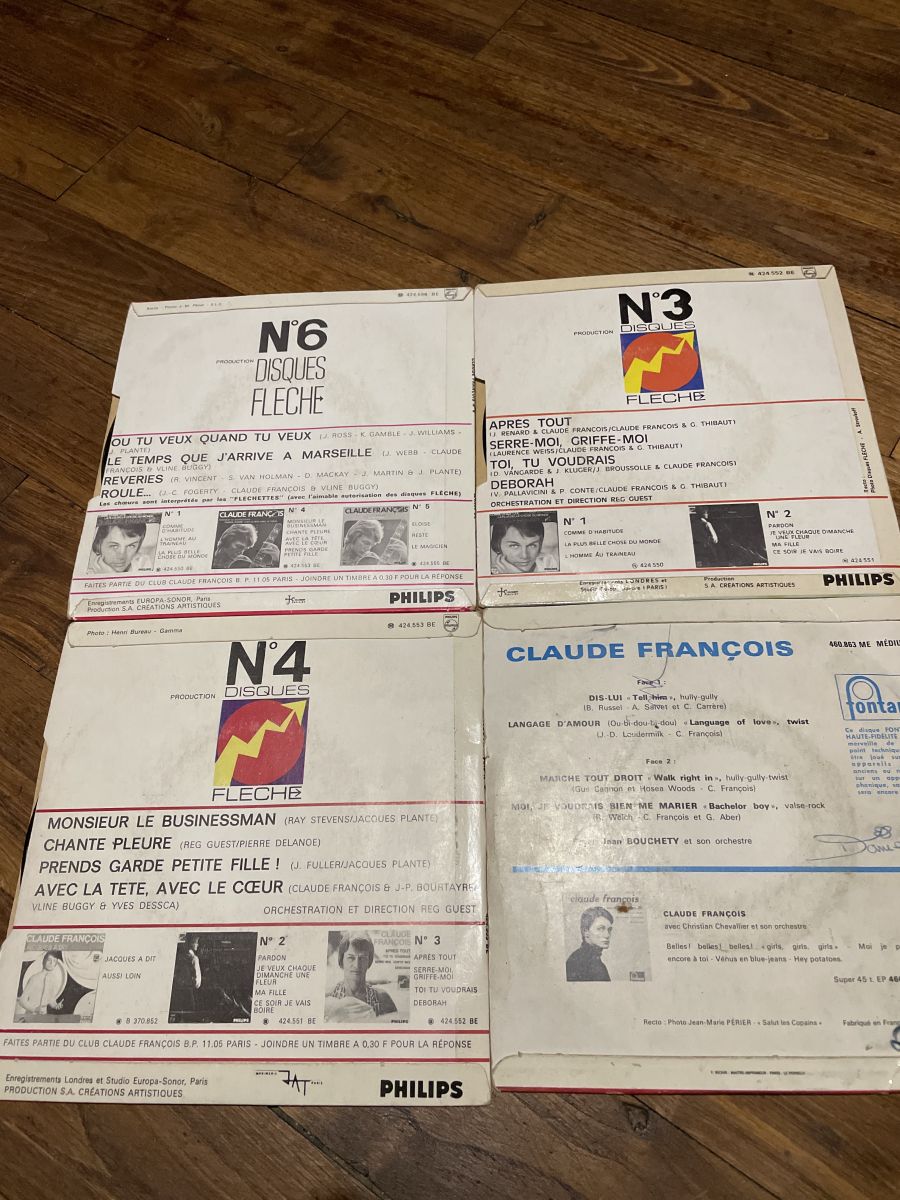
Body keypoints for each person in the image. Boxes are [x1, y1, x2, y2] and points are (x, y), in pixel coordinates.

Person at [325, 934, 397, 1021]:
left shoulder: (382, 999)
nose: (357, 965)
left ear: (369, 962)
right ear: (341, 961)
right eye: (351, 958)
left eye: (362, 958)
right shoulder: (328, 998)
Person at [490, 515, 558, 574]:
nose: (524, 556)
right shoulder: (490, 571)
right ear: (498, 545)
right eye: (514, 546)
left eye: (532, 545)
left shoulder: (547, 562)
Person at [566, 906, 614, 981]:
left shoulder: (597, 963)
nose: (607, 935)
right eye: (601, 929)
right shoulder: (576, 962)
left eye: (609, 930)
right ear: (586, 932)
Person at [15, 952, 66, 1016]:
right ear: (44, 961)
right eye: (49, 960)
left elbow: (51, 1000)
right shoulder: (34, 978)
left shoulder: (53, 979)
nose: (51, 963)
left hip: (43, 1016)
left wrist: (56, 1005)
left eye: (54, 961)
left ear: (55, 965)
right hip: (31, 1016)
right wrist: (34, 1009)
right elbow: (22, 1000)